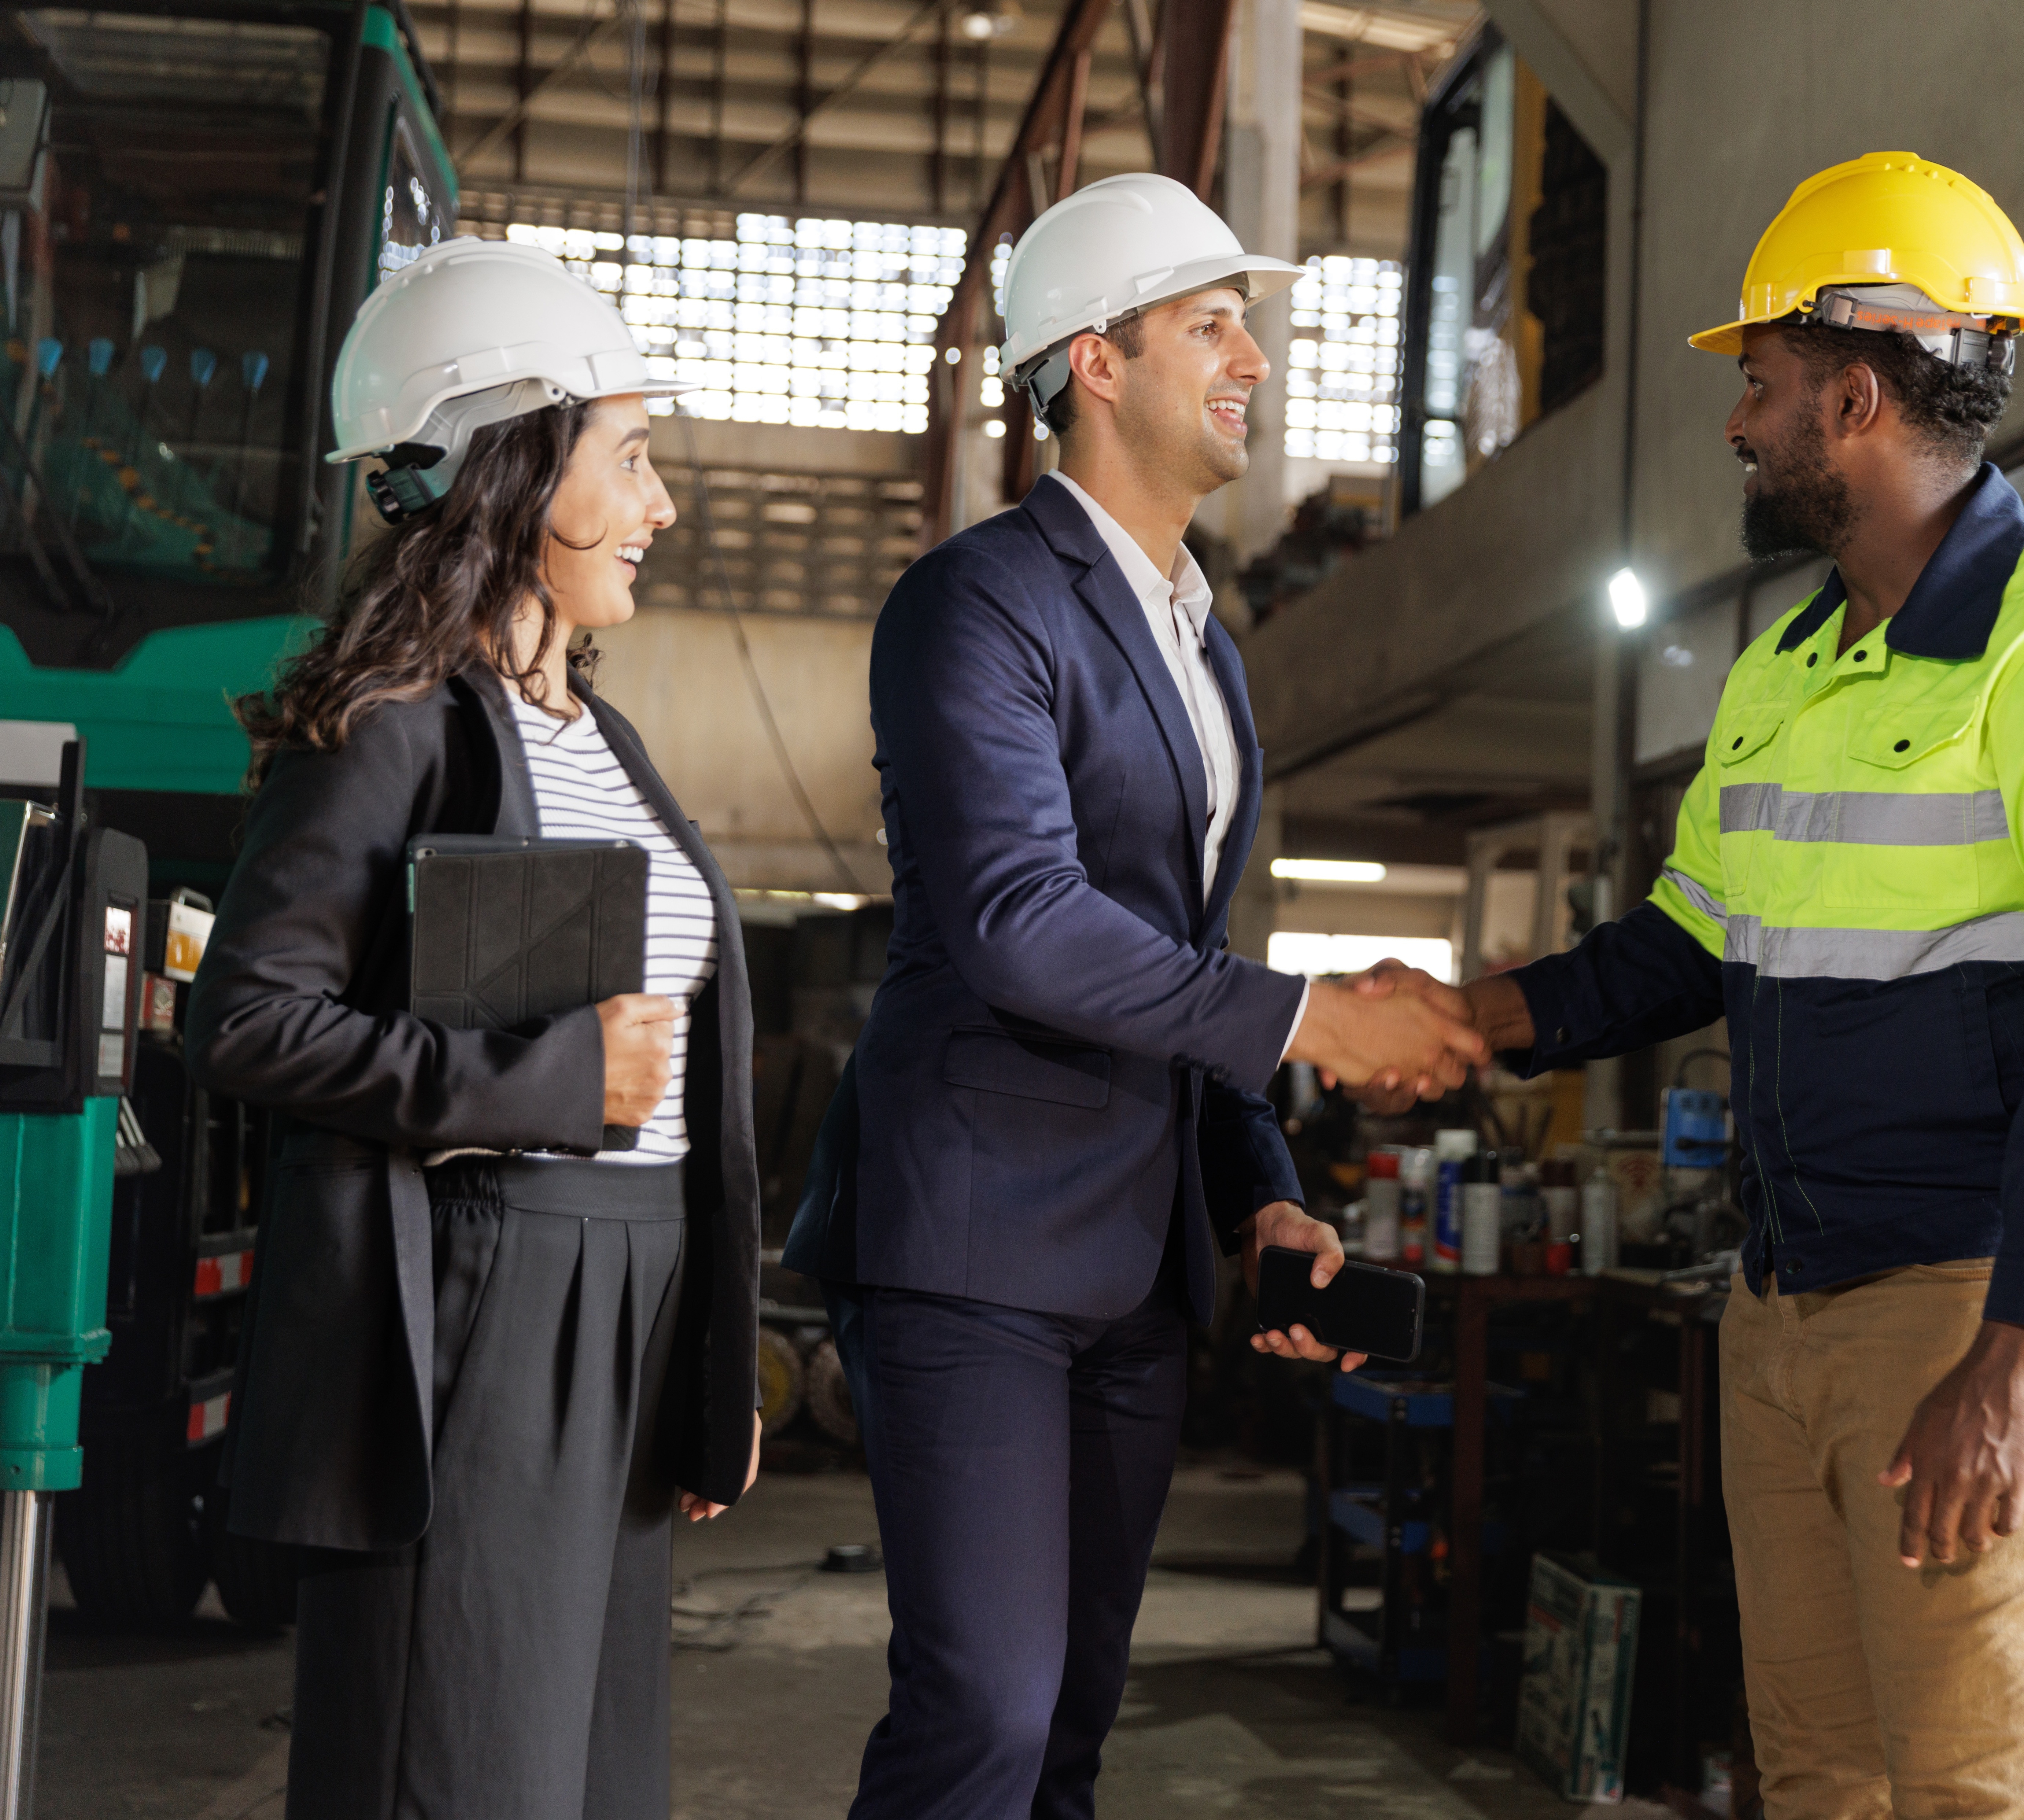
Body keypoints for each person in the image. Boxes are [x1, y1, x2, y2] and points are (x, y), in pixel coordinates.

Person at [1357, 152, 2024, 1817]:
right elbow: (1691, 941)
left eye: (1755, 386)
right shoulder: (1790, 666)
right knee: (1822, 1781)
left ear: (1850, 396)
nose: (1736, 424)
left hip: (1981, 1305)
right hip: (1789, 1305)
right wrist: (1478, 1017)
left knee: (1991, 1792)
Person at [783, 172, 1488, 1820]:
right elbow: (1022, 920)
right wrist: (1315, 1018)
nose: (1251, 356)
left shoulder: (1203, 643)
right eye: (1210, 321)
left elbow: (1174, 956)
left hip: (1131, 1261)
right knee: (986, 1717)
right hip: (971, 1247)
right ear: (1094, 362)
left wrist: (1263, 1201)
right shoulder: (980, 602)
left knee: (1073, 1728)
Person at [185, 239, 765, 1820]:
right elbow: (246, 1022)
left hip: (628, 1296)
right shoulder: (393, 727)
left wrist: (710, 1352)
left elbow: (676, 1088)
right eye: (630, 458)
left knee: (587, 1775)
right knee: (459, 1762)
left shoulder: (603, 737)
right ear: (517, 465)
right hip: (483, 1294)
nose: (659, 506)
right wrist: (551, 1080)